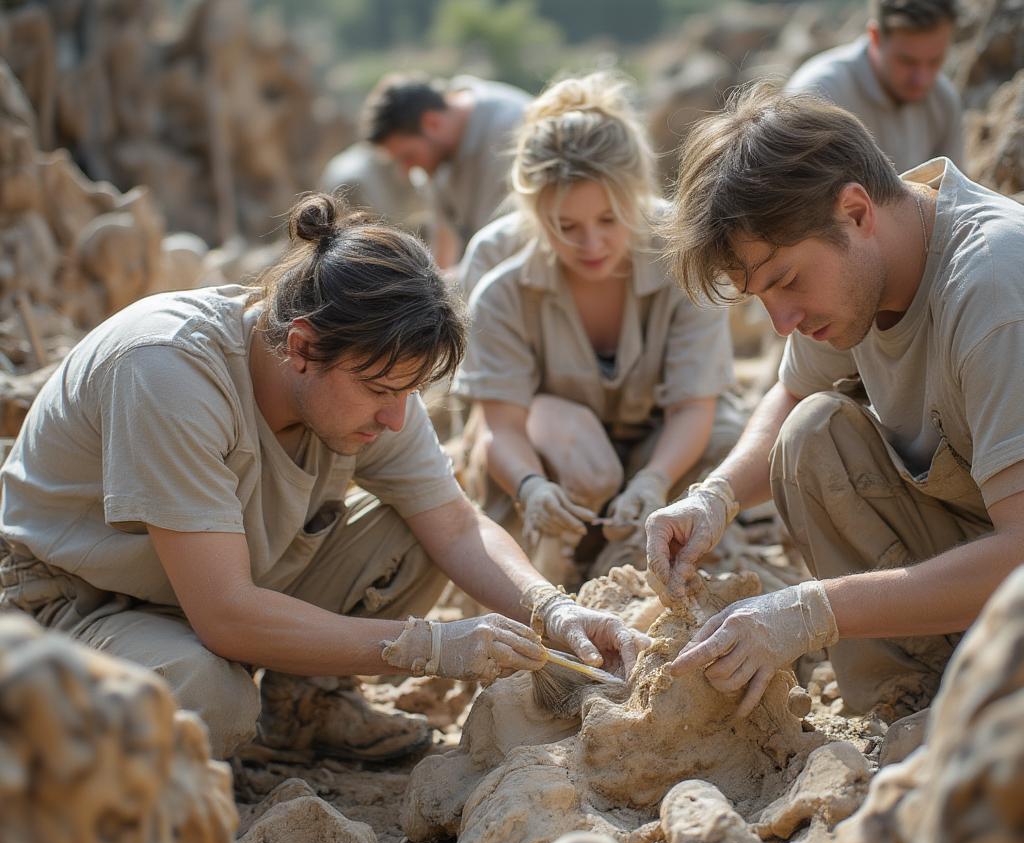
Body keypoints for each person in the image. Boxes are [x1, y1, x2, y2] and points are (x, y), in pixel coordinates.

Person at [0, 193, 645, 761]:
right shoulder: (167, 371)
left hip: (220, 576)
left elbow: (453, 521)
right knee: (206, 697)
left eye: (411, 391)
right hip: (75, 601)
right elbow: (224, 614)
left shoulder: (367, 367)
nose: (397, 417)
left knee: (416, 538)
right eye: (381, 392)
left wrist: (554, 611)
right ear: (303, 347)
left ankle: (301, 709)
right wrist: (431, 646)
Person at [646, 83, 1024, 722]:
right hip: (988, 548)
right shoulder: (870, 269)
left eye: (787, 281)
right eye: (762, 298)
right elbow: (792, 393)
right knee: (810, 434)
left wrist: (811, 611)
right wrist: (714, 498)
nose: (783, 322)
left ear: (855, 211)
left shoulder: (993, 288)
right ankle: (906, 711)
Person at [453, 72, 742, 586]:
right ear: (535, 212)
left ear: (637, 196)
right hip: (546, 448)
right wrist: (530, 487)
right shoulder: (498, 266)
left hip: (659, 439)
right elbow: (495, 421)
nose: (591, 245)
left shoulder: (680, 245)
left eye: (609, 220)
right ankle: (536, 567)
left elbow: (694, 404)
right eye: (566, 227)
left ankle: (650, 553)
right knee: (582, 461)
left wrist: (654, 481)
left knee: (725, 436)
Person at [361, 73, 530, 266]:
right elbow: (443, 238)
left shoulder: (510, 132)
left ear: (431, 123)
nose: (405, 170)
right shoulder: (436, 152)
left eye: (408, 157)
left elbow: (504, 249)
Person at [786, 0, 962, 172]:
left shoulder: (943, 100)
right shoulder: (818, 96)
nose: (921, 79)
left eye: (935, 61)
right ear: (875, 36)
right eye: (907, 61)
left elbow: (955, 194)